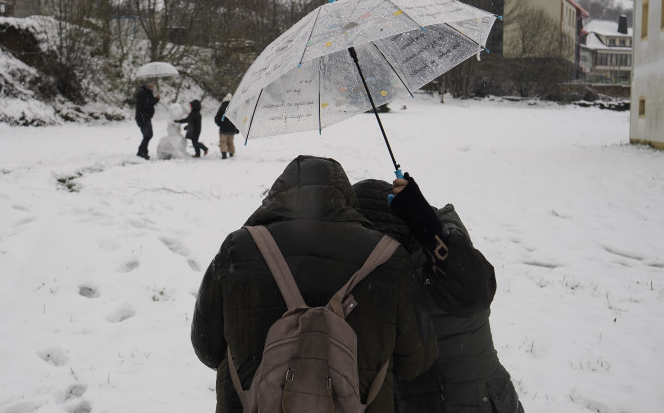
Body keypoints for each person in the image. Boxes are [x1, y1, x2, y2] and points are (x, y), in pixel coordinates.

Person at [191, 155, 438, 413]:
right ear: (346, 199)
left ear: (277, 196)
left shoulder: (238, 249)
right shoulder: (388, 258)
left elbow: (207, 346)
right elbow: (417, 360)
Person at [352, 176, 524, 413]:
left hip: (477, 401)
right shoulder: (378, 272)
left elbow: (474, 290)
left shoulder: (440, 244)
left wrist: (427, 225)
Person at [134, 80, 160, 160]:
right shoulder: (143, 93)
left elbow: (149, 102)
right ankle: (142, 152)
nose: (153, 86)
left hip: (146, 117)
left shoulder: (147, 92)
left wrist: (155, 98)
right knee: (147, 135)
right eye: (152, 85)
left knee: (149, 135)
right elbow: (147, 104)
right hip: (142, 117)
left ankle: (142, 151)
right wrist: (156, 99)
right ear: (148, 85)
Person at [214, 93, 239, 159]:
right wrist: (237, 128)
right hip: (232, 128)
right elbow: (237, 119)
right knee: (230, 142)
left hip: (223, 129)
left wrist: (220, 124)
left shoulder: (222, 107)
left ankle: (224, 154)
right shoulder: (235, 107)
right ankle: (231, 153)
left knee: (223, 142)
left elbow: (217, 118)